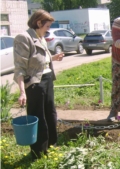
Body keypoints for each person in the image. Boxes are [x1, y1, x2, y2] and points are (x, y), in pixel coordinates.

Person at [13, 9, 64, 160]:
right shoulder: (24, 37)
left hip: (47, 79)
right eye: (47, 26)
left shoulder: (40, 36)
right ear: (38, 22)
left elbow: (39, 61)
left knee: (50, 113)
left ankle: (51, 146)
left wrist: (53, 58)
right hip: (35, 84)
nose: (48, 30)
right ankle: (38, 152)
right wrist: (22, 92)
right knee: (38, 116)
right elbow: (20, 68)